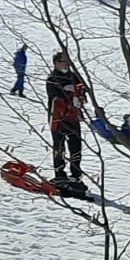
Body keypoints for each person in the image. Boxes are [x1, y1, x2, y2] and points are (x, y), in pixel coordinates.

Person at [46, 52, 85, 184]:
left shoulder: (74, 76)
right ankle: (59, 173)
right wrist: (68, 92)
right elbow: (55, 94)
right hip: (58, 117)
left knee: (76, 145)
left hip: (73, 116)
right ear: (56, 63)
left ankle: (76, 174)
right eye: (63, 61)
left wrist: (80, 97)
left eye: (67, 61)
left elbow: (82, 89)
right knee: (59, 146)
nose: (66, 64)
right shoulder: (52, 78)